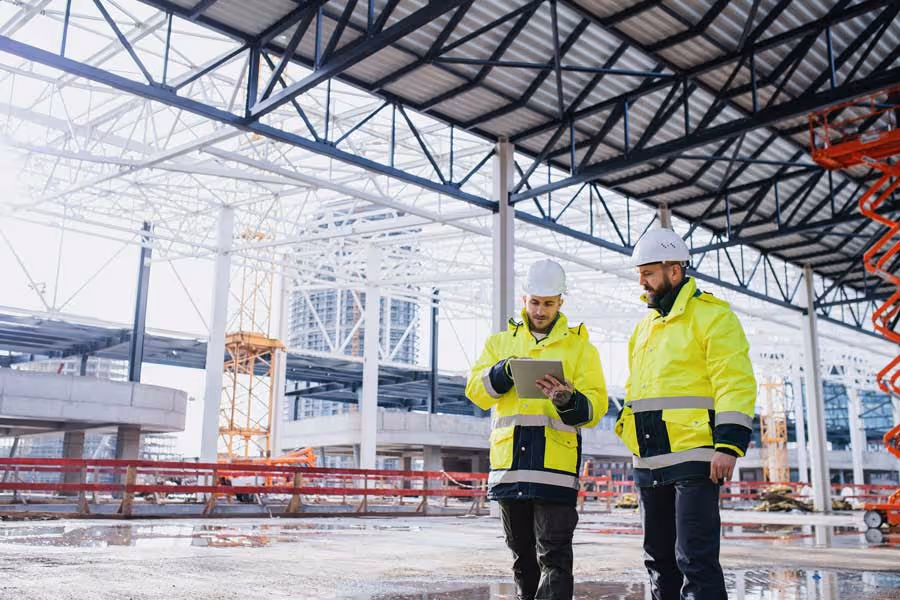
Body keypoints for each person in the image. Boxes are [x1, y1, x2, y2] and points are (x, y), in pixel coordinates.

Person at [616, 228, 756, 600]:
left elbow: (734, 381)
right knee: (658, 561)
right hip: (649, 461)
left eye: (648, 273)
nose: (642, 282)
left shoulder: (712, 316)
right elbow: (638, 390)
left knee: (695, 560)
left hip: (695, 458)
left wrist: (728, 444)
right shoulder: (643, 328)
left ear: (674, 271)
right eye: (640, 274)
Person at [466, 259, 608, 600]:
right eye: (534, 302)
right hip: (511, 469)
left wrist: (567, 400)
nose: (540, 310)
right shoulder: (499, 344)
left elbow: (595, 407)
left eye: (548, 303)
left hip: (553, 470)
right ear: (523, 299)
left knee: (555, 558)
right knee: (522, 559)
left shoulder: (580, 349)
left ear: (561, 302)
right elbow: (475, 391)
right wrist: (503, 373)